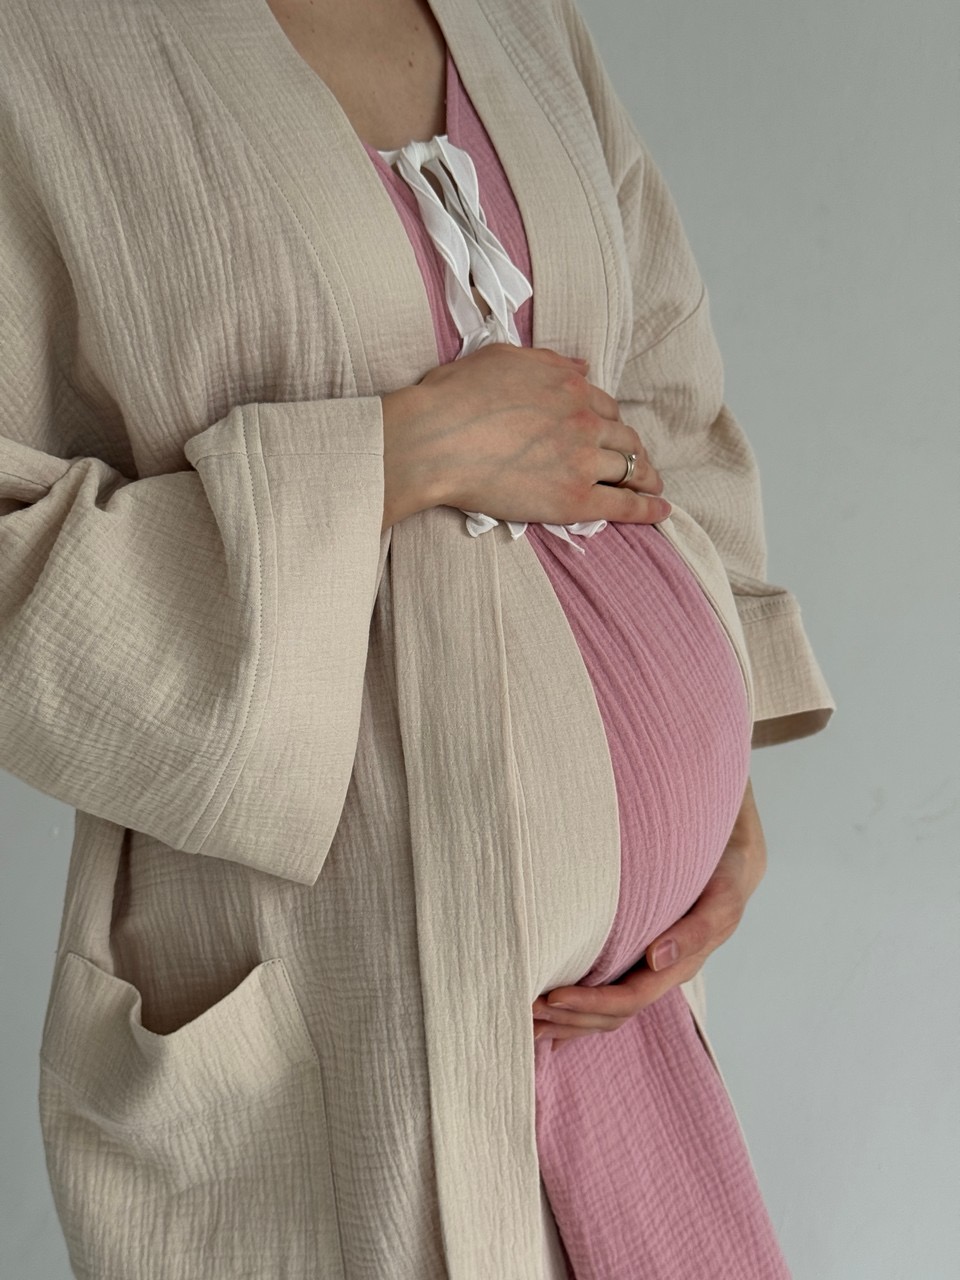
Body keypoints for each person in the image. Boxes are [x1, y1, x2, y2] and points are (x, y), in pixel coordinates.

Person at [0, 0, 835, 1276]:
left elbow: (662, 374)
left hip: (627, 1041)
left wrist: (724, 765)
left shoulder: (522, 17)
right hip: (350, 1005)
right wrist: (400, 454)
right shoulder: (39, 50)